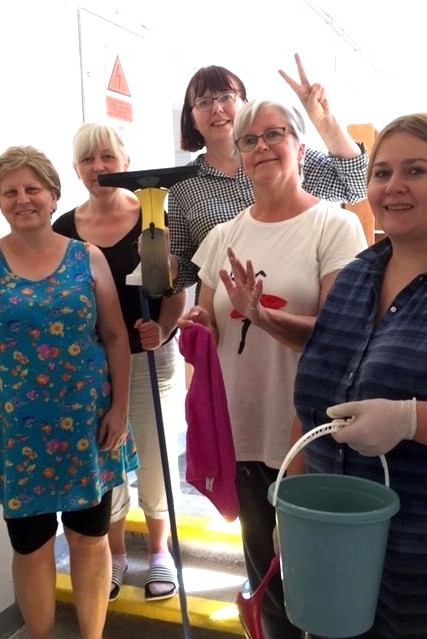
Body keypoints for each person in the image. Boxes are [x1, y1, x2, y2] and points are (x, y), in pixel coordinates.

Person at [176, 99, 367, 639]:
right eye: (249, 140)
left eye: (274, 134)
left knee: (318, 579)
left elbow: (339, 335)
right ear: (239, 156)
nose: (261, 147)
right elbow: (211, 327)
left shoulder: (335, 226)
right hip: (241, 430)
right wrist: (199, 325)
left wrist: (261, 315)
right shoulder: (221, 237)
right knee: (266, 578)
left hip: (309, 432)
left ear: (300, 147)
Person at [293, 112, 427, 638]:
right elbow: (310, 401)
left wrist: (409, 420)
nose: (394, 186)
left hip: (417, 560)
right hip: (336, 549)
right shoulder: (353, 278)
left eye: (416, 170)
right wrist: (293, 503)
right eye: (382, 172)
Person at [0, 145, 138, 639]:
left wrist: (120, 409)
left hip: (88, 425)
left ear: (53, 194)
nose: (22, 199)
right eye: (10, 191)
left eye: (32, 188)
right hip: (18, 432)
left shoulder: (87, 257)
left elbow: (116, 336)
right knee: (31, 545)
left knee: (89, 539)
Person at [53, 123, 186, 602]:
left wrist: (163, 329)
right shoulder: (64, 229)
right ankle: (116, 553)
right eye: (89, 159)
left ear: (126, 163)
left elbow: (176, 288)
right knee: (105, 457)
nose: (99, 167)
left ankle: (159, 552)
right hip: (93, 366)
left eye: (108, 157)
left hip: (149, 357)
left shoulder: (156, 217)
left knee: (153, 457)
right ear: (76, 169)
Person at [168, 53, 368, 293]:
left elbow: (356, 187)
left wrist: (325, 122)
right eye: (203, 102)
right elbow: (192, 268)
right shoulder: (182, 185)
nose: (217, 108)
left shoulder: (283, 158)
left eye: (226, 97)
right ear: (191, 119)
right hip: (223, 306)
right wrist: (164, 264)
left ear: (245, 104)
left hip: (299, 298)